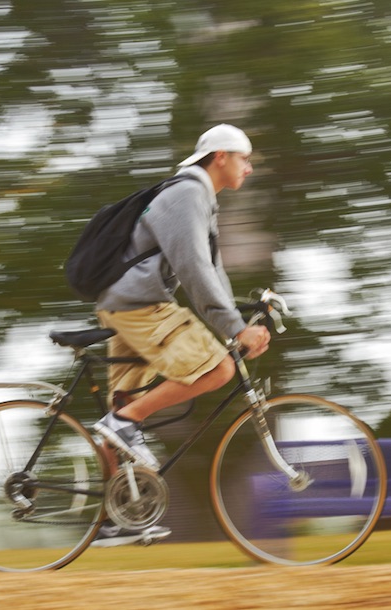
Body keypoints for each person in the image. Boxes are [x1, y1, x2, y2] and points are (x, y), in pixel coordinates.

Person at [87, 124, 272, 547]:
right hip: (140, 305)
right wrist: (235, 331)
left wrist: (238, 318)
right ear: (220, 157)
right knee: (219, 369)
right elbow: (193, 271)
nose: (249, 167)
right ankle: (124, 422)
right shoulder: (187, 194)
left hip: (126, 303)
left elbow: (213, 271)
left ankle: (114, 518)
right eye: (244, 158)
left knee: (124, 402)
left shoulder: (201, 199)